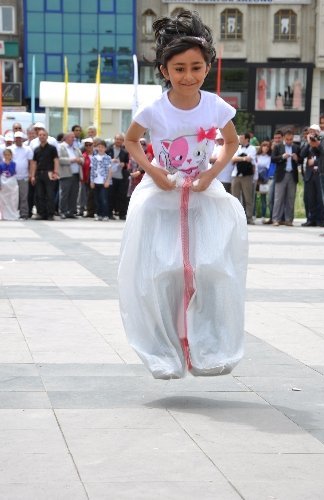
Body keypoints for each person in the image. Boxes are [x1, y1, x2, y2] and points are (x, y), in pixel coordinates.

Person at [118, 10, 248, 380]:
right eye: (179, 68)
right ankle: (164, 352)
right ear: (164, 71)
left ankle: (207, 348)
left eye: (196, 67)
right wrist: (154, 171)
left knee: (210, 268)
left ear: (207, 67)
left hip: (204, 195)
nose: (188, 76)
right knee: (161, 271)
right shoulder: (153, 109)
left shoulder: (216, 106)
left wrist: (211, 173)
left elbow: (231, 142)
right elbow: (131, 140)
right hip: (161, 195)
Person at [309, 111, 324, 238]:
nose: (323, 125)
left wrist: (320, 146)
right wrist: (313, 146)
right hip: (323, 173)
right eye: (322, 123)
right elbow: (320, 154)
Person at [271, 129, 299, 226]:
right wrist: (282, 157)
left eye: (291, 139)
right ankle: (276, 219)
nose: (289, 141)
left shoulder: (296, 147)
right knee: (278, 198)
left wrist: (297, 159)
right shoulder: (278, 147)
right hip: (281, 175)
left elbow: (301, 160)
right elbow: (273, 159)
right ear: (283, 138)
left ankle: (289, 220)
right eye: (287, 139)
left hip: (292, 175)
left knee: (291, 198)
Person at [300, 124, 324, 227]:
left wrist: (315, 162)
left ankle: (322, 220)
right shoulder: (308, 143)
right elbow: (302, 155)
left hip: (320, 172)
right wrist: (309, 142)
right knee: (309, 198)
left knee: (320, 198)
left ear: (318, 132)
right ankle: (311, 219)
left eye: (314, 131)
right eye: (310, 131)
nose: (312, 133)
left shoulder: (322, 141)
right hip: (310, 174)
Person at [30, 129, 59, 221]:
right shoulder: (36, 149)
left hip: (49, 173)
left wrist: (56, 172)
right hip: (39, 173)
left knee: (50, 194)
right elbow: (34, 163)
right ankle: (42, 213)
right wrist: (33, 175)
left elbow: (56, 161)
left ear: (47, 136)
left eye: (44, 135)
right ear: (38, 136)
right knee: (39, 194)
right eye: (40, 135)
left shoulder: (52, 148)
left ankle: (50, 214)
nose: (42, 136)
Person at [231, 132, 257, 224]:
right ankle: (236, 218)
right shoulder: (237, 147)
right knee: (235, 198)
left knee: (248, 198)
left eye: (241, 138)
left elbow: (250, 159)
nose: (239, 140)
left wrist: (239, 158)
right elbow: (232, 159)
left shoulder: (252, 148)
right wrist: (243, 158)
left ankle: (249, 217)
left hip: (247, 176)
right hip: (236, 175)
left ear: (247, 139)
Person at [58, 132, 84, 219]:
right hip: (66, 174)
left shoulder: (76, 148)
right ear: (66, 138)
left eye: (74, 138)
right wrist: (71, 160)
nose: (73, 139)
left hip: (76, 174)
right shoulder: (61, 147)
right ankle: (63, 211)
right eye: (72, 137)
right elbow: (59, 160)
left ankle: (72, 211)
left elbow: (82, 158)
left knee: (74, 193)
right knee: (65, 194)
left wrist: (80, 160)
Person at [9, 131, 33, 220]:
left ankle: (24, 214)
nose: (18, 139)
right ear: (14, 139)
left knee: (24, 196)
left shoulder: (28, 149)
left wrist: (31, 174)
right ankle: (13, 213)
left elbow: (31, 162)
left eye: (20, 138)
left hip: (24, 176)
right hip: (12, 177)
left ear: (22, 139)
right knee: (13, 197)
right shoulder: (10, 149)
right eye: (16, 138)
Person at [106, 133, 130, 220]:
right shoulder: (108, 150)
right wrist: (110, 160)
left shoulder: (125, 152)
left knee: (121, 196)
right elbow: (103, 160)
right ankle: (109, 213)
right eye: (117, 139)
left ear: (123, 141)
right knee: (110, 195)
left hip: (121, 177)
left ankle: (122, 214)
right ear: (114, 139)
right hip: (110, 177)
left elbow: (127, 164)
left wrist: (124, 164)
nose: (118, 141)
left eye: (120, 139)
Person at [90, 140, 112, 221]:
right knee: (97, 199)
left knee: (104, 199)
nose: (100, 148)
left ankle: (105, 215)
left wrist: (108, 181)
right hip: (96, 181)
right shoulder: (94, 158)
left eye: (102, 147)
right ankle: (98, 214)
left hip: (104, 182)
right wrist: (91, 181)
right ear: (96, 148)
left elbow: (110, 170)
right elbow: (92, 170)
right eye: (99, 147)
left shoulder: (108, 158)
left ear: (105, 148)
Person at [0, 148, 19, 220]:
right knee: (4, 200)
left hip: (11, 184)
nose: (7, 156)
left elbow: (13, 172)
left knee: (13, 200)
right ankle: (4, 215)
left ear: (11, 155)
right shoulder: (1, 164)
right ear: (3, 156)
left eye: (8, 155)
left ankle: (12, 214)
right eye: (5, 155)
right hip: (3, 184)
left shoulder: (13, 164)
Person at [255, 141, 271, 220]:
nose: (266, 148)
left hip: (264, 179)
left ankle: (263, 215)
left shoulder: (269, 157)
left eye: (267, 147)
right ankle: (253, 214)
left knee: (263, 198)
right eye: (264, 146)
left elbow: (268, 168)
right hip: (256, 178)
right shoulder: (257, 156)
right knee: (254, 197)